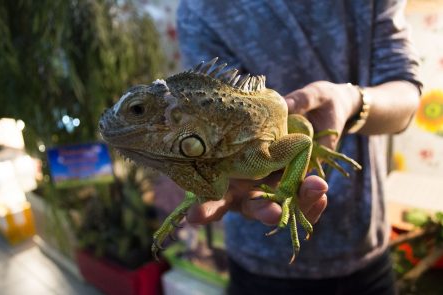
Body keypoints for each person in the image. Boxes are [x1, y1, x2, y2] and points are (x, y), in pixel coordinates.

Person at [175, 1, 422, 294]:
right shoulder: (200, 7)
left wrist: (352, 102)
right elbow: (210, 120)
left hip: (363, 249)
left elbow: (405, 92)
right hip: (257, 258)